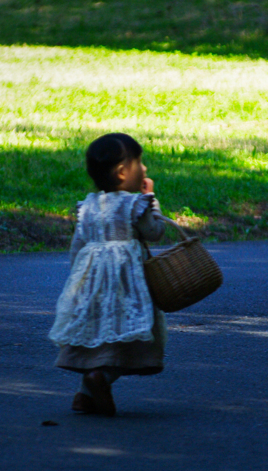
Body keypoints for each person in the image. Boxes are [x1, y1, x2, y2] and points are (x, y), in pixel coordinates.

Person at [48, 133, 167, 416]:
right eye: (140, 162)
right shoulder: (135, 205)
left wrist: (79, 279)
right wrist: (153, 202)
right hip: (129, 287)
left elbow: (77, 247)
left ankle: (84, 395)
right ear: (123, 172)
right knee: (126, 341)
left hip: (93, 287)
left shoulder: (88, 206)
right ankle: (100, 379)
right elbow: (156, 233)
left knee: (98, 336)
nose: (145, 169)